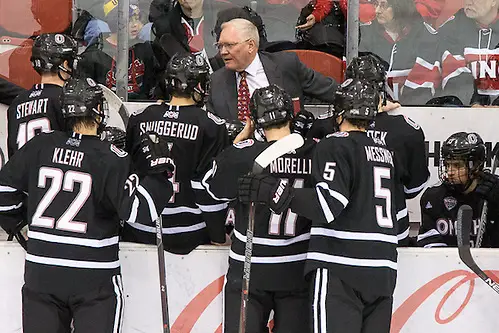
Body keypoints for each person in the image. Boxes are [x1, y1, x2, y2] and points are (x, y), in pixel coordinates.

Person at [0, 76, 173, 333]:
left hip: (42, 272)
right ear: (98, 111)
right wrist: (160, 176)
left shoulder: (40, 146)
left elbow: (3, 192)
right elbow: (139, 211)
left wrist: (21, 225)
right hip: (94, 279)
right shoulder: (112, 157)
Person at [239, 78, 398, 333]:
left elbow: (327, 206)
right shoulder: (385, 151)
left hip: (341, 267)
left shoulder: (334, 144)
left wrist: (276, 191)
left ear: (341, 111)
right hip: (384, 270)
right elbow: (398, 217)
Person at [201, 84, 316, 333]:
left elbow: (212, 189)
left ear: (253, 120)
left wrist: (237, 143)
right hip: (296, 267)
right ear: (290, 115)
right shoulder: (314, 151)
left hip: (250, 267)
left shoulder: (242, 154)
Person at [122, 53, 230, 254]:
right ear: (197, 85)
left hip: (139, 226)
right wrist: (218, 235)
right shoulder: (211, 126)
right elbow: (208, 189)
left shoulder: (139, 118)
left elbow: (128, 173)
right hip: (189, 232)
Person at [347, 54, 429, 245]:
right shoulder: (407, 130)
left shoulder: (329, 128)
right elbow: (413, 190)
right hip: (392, 231)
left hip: (345, 232)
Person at [207, 18, 338, 123]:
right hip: (238, 151)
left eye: (229, 45)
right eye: (220, 46)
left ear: (251, 46)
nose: (223, 52)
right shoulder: (217, 80)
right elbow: (212, 128)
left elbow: (333, 92)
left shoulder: (286, 65)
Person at [417, 132, 499, 248]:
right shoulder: (433, 197)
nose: (450, 172)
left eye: (457, 166)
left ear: (475, 166)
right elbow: (430, 246)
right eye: (447, 165)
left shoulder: (492, 192)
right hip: (446, 265)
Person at [7, 33, 78, 158]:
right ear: (66, 64)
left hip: (21, 174)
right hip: (51, 174)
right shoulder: (67, 100)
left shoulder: (17, 102)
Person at [359, 0, 440, 105]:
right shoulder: (363, 35)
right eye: (376, 4)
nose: (377, 11)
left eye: (383, 5)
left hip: (415, 108)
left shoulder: (425, 36)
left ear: (400, 7)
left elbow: (427, 79)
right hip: (376, 108)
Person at [79, 3, 157, 100]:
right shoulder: (94, 55)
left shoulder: (145, 49)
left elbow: (152, 84)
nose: (136, 25)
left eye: (137, 19)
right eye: (129, 20)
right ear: (115, 22)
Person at [438, 0, 499, 106]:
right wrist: (473, 103)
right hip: (463, 111)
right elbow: (453, 73)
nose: (468, 2)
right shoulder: (452, 28)